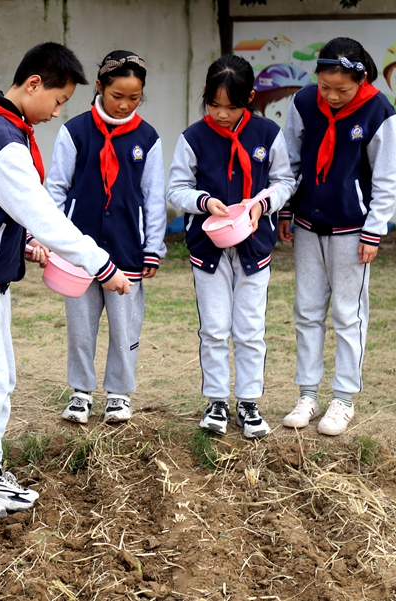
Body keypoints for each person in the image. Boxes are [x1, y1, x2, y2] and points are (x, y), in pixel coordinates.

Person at [0, 42, 132, 523]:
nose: (57, 112)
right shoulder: (1, 139)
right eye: (58, 101)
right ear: (34, 84)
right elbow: (44, 214)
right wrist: (102, 265)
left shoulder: (5, 130)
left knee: (3, 378)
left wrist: (20, 244)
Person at [167, 55, 296, 439]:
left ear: (250, 99)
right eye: (214, 104)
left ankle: (249, 402)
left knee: (251, 328)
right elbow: (176, 188)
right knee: (215, 327)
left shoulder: (268, 135)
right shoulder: (192, 138)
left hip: (254, 245)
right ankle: (216, 401)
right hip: (208, 248)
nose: (222, 114)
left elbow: (285, 181)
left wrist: (262, 203)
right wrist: (203, 202)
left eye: (232, 106)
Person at [279, 37, 396, 435]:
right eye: (325, 86)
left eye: (341, 90)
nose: (331, 96)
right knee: (307, 311)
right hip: (309, 225)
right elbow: (290, 161)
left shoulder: (378, 110)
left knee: (349, 315)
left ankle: (343, 400)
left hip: (353, 230)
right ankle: (308, 395)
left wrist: (374, 230)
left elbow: (386, 177)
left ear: (360, 78)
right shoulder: (303, 103)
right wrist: (286, 209)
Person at [46, 50, 166, 425]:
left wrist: (153, 248)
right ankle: (81, 392)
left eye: (134, 98)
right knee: (81, 327)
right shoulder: (76, 131)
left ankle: (118, 393)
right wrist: (51, 241)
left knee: (125, 326)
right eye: (117, 96)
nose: (124, 104)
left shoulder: (147, 138)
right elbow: (56, 189)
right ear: (99, 87)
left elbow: (154, 197)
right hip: (78, 254)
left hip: (128, 249)